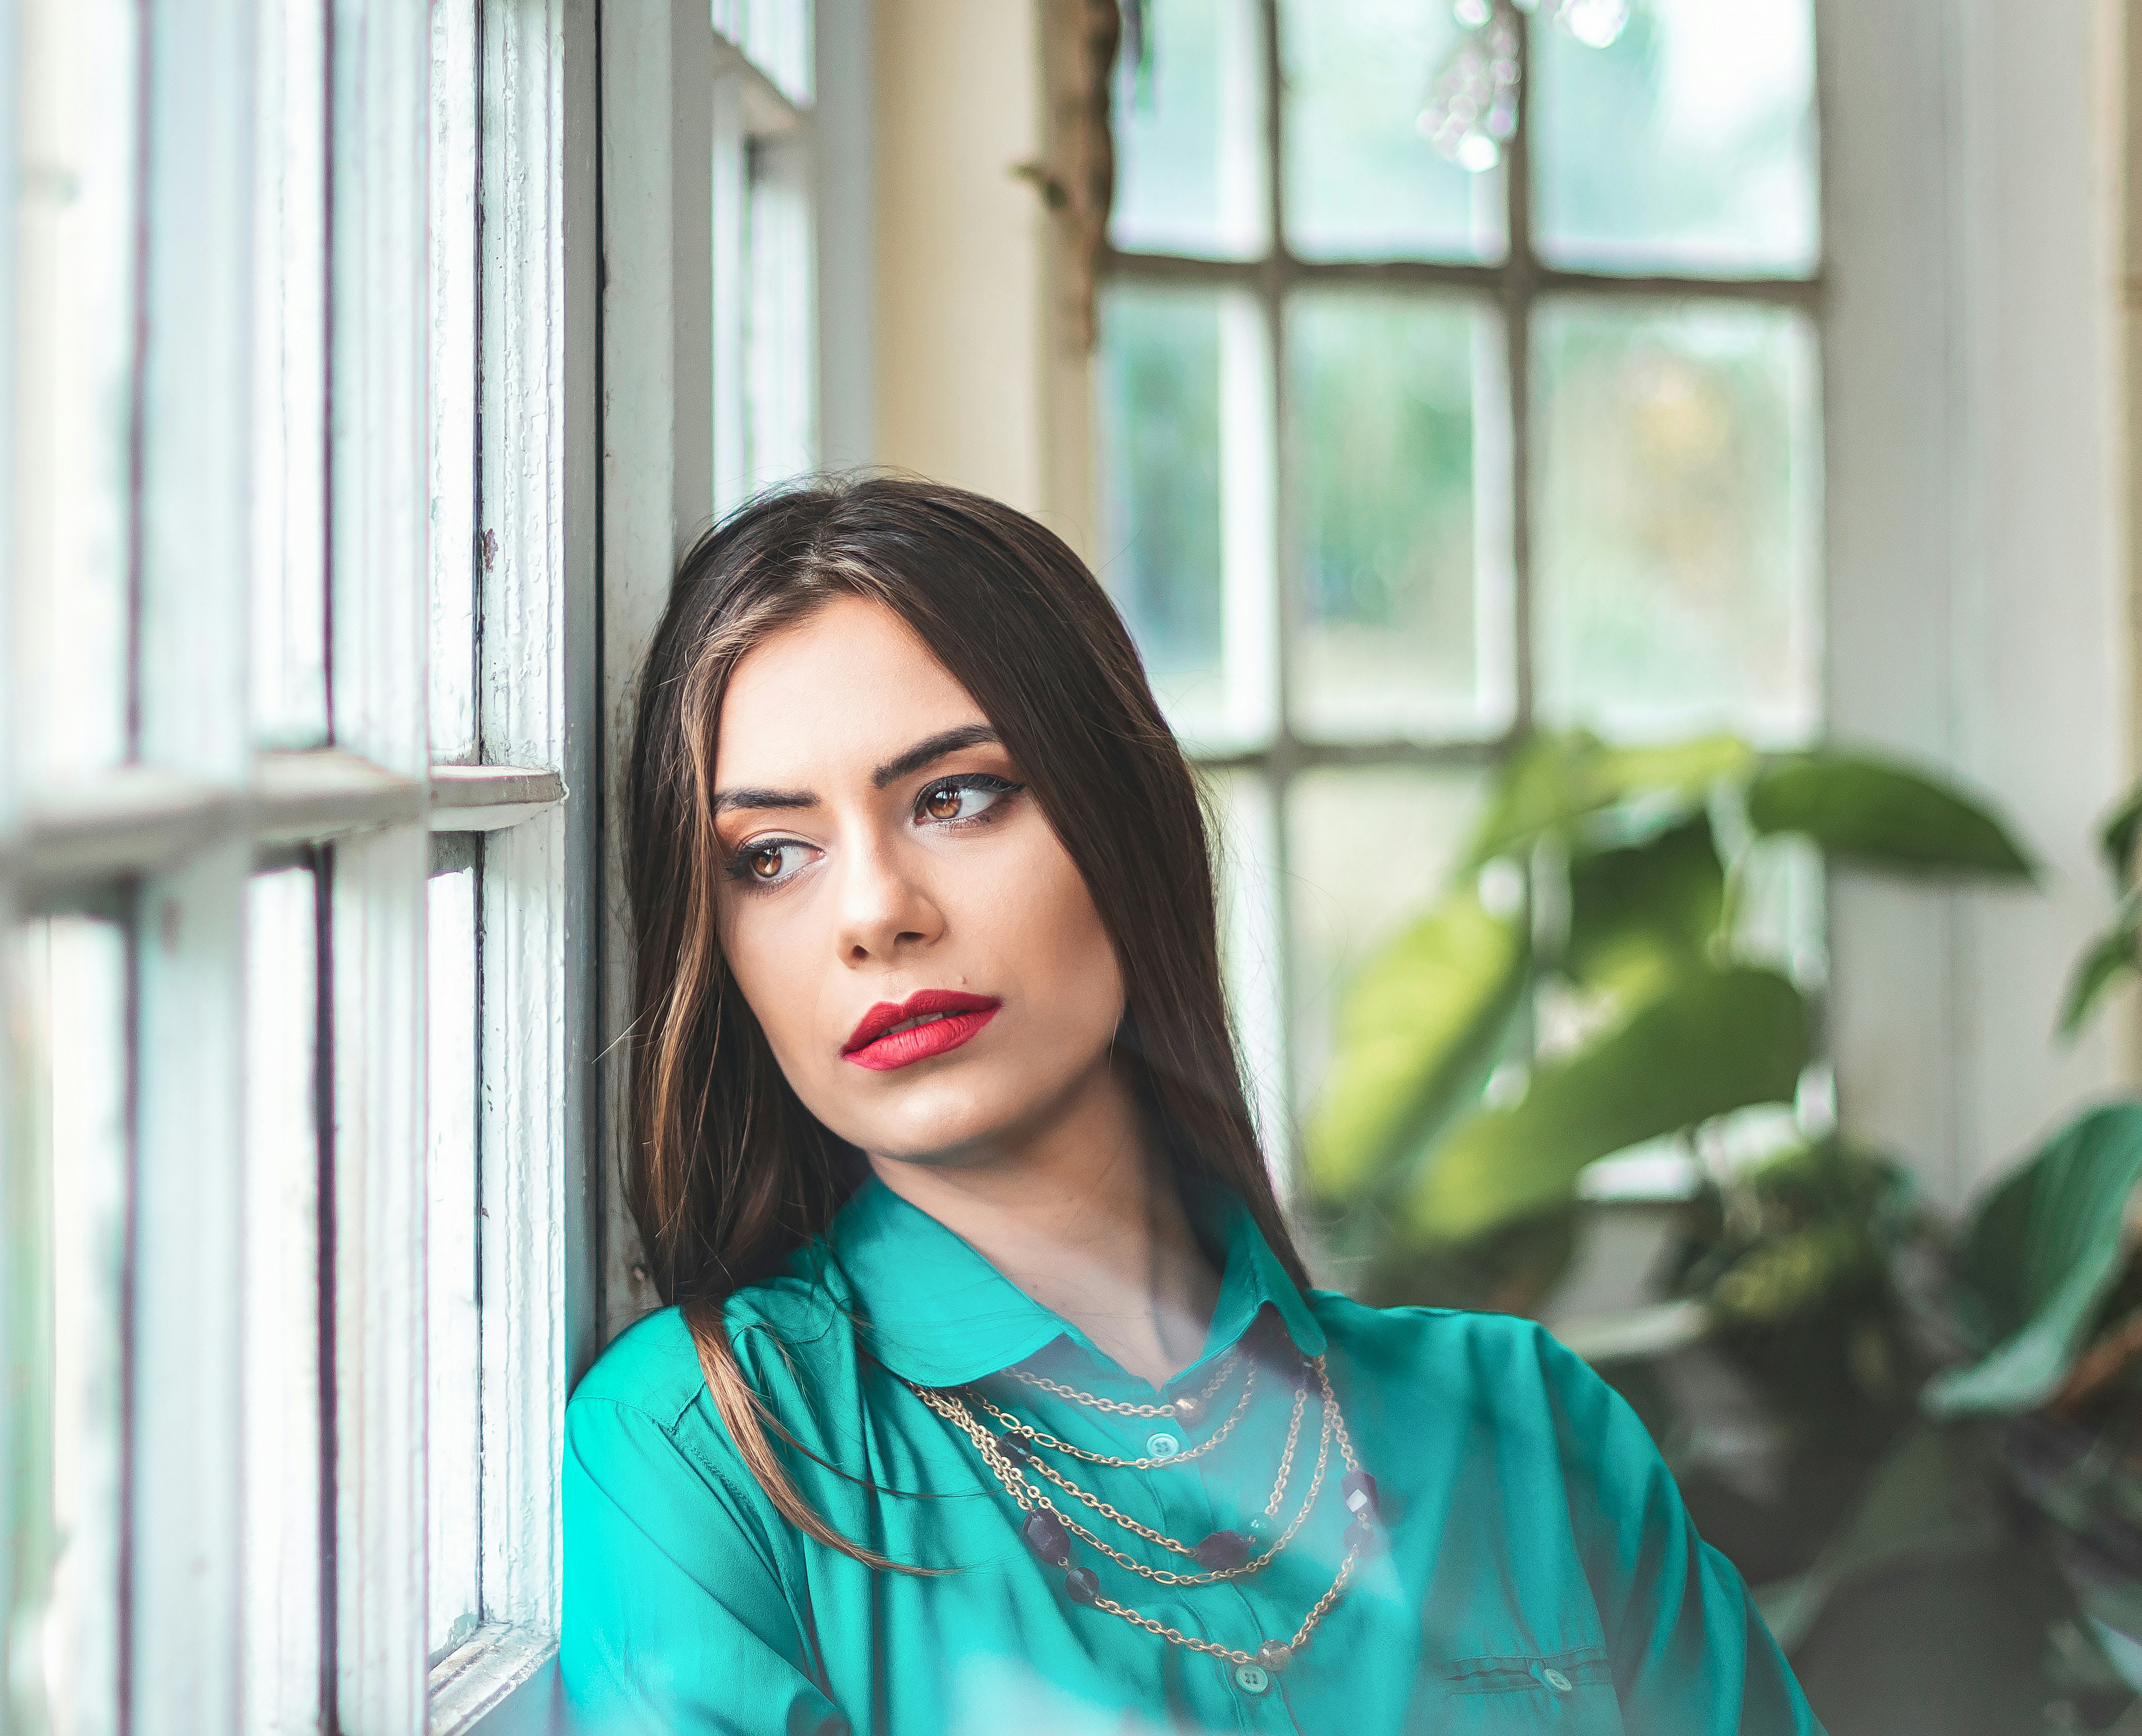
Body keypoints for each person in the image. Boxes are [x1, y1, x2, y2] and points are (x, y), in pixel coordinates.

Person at [559, 476, 1821, 1734]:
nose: (874, 911)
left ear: (1125, 823)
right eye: (769, 856)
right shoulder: (702, 1451)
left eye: (955, 796)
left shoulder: (1531, 1431)